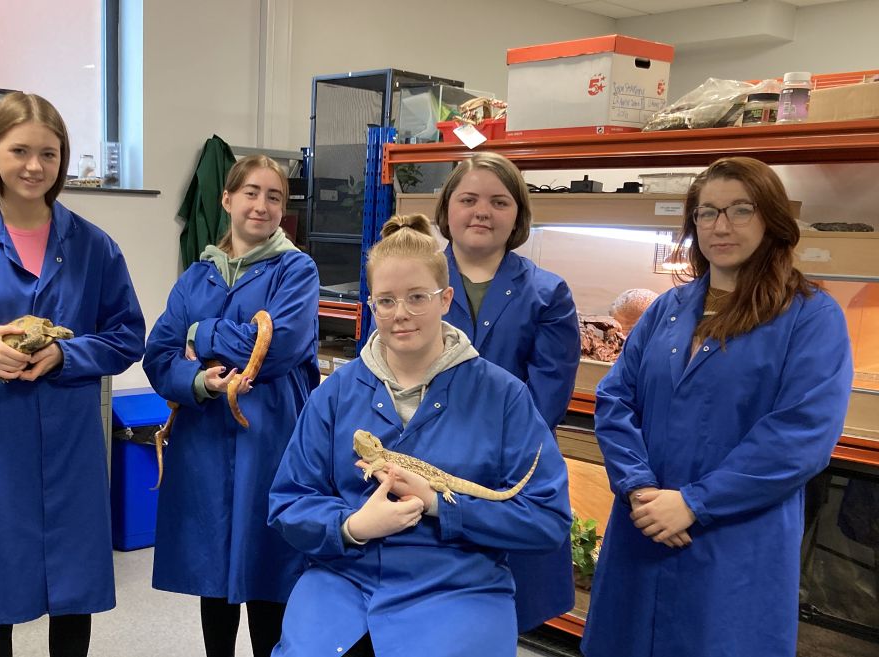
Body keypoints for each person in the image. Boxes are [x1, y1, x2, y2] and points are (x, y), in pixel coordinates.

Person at [581, 157, 853, 657]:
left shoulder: (811, 317)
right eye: (706, 213)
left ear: (771, 219)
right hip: (645, 524)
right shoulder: (668, 308)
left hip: (733, 537)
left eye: (739, 210)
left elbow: (800, 436)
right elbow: (616, 398)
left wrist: (694, 503)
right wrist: (640, 488)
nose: (720, 226)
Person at [268, 214, 571, 657]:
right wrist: (350, 526)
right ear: (370, 306)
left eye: (417, 297)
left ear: (446, 299)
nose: (401, 314)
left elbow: (546, 519)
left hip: (459, 587)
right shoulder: (334, 394)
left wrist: (438, 507)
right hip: (344, 578)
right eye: (385, 301)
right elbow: (289, 501)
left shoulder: (503, 396)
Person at [0, 92, 145, 657]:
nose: (34, 166)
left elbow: (126, 336)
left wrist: (69, 356)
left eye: (48, 152)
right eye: (19, 150)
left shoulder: (93, 245)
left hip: (70, 443)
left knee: (73, 594)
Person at [143, 155, 320, 657]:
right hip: (202, 440)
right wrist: (198, 380)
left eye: (274, 196)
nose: (262, 205)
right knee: (212, 572)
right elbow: (158, 356)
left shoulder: (296, 270)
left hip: (271, 438)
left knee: (270, 571)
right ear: (226, 200)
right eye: (251, 192)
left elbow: (280, 346)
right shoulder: (197, 277)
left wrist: (202, 333)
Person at [433, 152, 580, 631]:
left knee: (499, 614)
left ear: (517, 215)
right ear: (447, 209)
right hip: (425, 466)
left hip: (509, 471)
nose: (482, 212)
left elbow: (547, 400)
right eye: (469, 199)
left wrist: (483, 452)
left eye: (499, 201)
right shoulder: (414, 280)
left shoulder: (548, 293)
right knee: (424, 607)